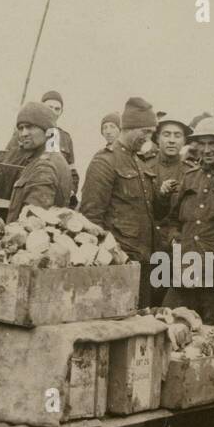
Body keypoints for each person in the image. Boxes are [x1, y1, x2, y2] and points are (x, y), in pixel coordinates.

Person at [154, 118, 214, 323]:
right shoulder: (190, 178)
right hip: (184, 268)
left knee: (212, 334)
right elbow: (173, 219)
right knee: (166, 322)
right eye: (202, 144)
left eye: (213, 144)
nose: (206, 149)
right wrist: (175, 238)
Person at [79, 97, 159, 305]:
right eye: (146, 132)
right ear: (130, 127)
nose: (149, 138)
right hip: (117, 265)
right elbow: (91, 220)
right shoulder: (105, 162)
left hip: (142, 262)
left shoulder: (139, 163)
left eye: (151, 132)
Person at [147, 115, 193, 303]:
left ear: (184, 141)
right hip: (148, 247)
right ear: (157, 138)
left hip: (176, 251)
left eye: (177, 135)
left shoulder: (191, 172)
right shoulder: (144, 167)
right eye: (166, 134)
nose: (172, 140)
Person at [5, 102, 74, 222]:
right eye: (21, 128)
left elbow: (32, 224)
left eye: (30, 127)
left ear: (47, 130)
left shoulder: (44, 166)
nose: (24, 134)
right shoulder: (52, 158)